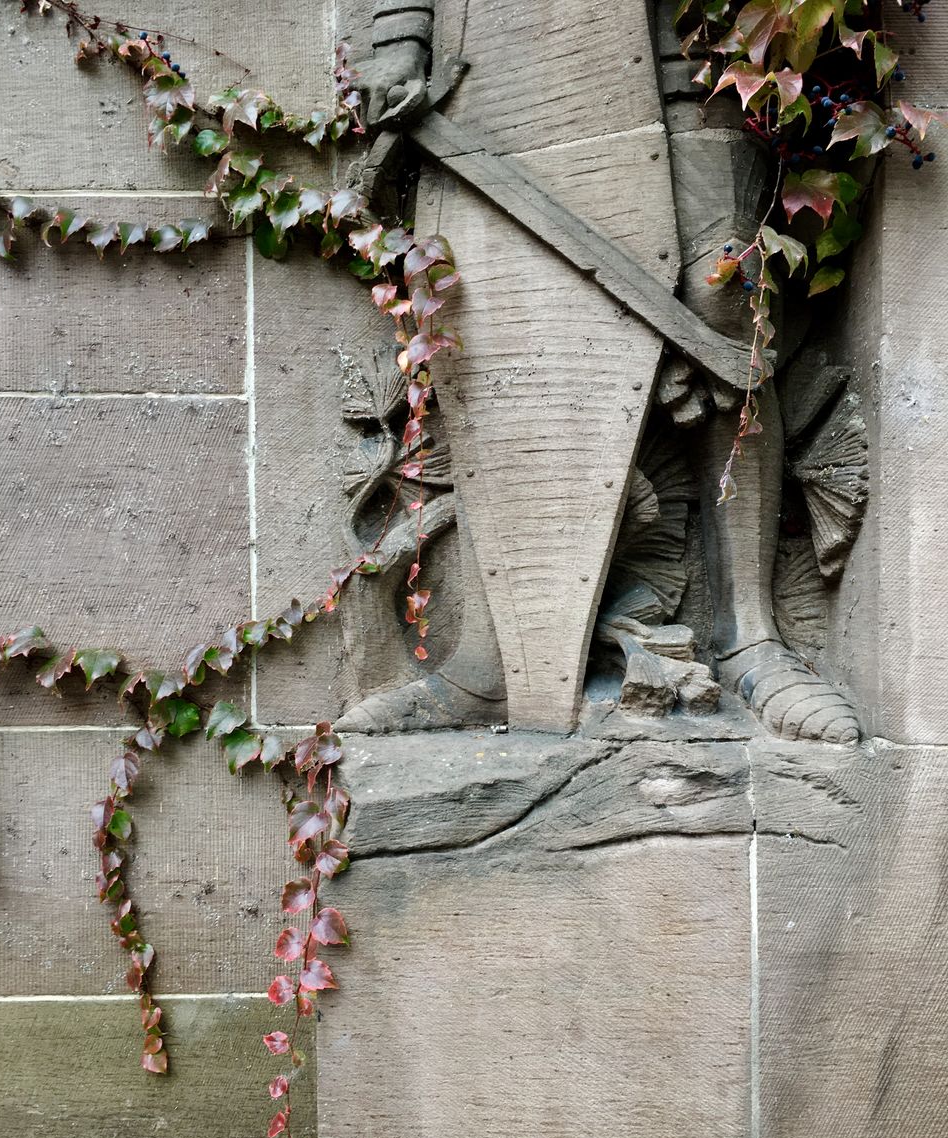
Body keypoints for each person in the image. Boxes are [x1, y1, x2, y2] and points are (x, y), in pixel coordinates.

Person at [341, 0, 860, 743]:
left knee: (723, 305)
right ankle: (487, 665)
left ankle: (749, 636)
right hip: (509, 54)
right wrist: (398, 30)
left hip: (700, 43)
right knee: (492, 325)